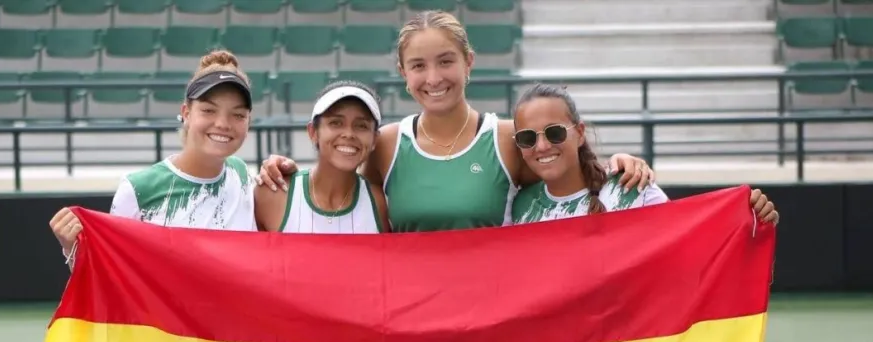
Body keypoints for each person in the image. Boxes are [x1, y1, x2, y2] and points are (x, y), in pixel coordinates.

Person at [254, 10, 657, 233]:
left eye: (446, 61)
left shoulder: (505, 139)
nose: (434, 78)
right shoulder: (387, 144)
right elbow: (343, 188)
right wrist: (285, 169)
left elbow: (562, 182)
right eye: (418, 66)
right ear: (403, 73)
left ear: (468, 63)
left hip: (490, 319)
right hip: (410, 320)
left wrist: (618, 165)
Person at [49, 49, 257, 269]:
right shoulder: (139, 190)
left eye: (238, 115)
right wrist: (72, 249)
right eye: (208, 110)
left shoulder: (242, 175)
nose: (223, 124)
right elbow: (113, 275)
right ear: (186, 113)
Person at [509, 83, 780, 225]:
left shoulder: (632, 189)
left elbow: (686, 246)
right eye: (527, 138)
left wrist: (749, 220)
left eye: (555, 132)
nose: (542, 146)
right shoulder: (519, 207)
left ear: (579, 133)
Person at [254, 80, 390, 233]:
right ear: (313, 132)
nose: (349, 134)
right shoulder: (272, 194)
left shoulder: (381, 204)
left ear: (374, 139)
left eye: (361, 126)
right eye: (336, 123)